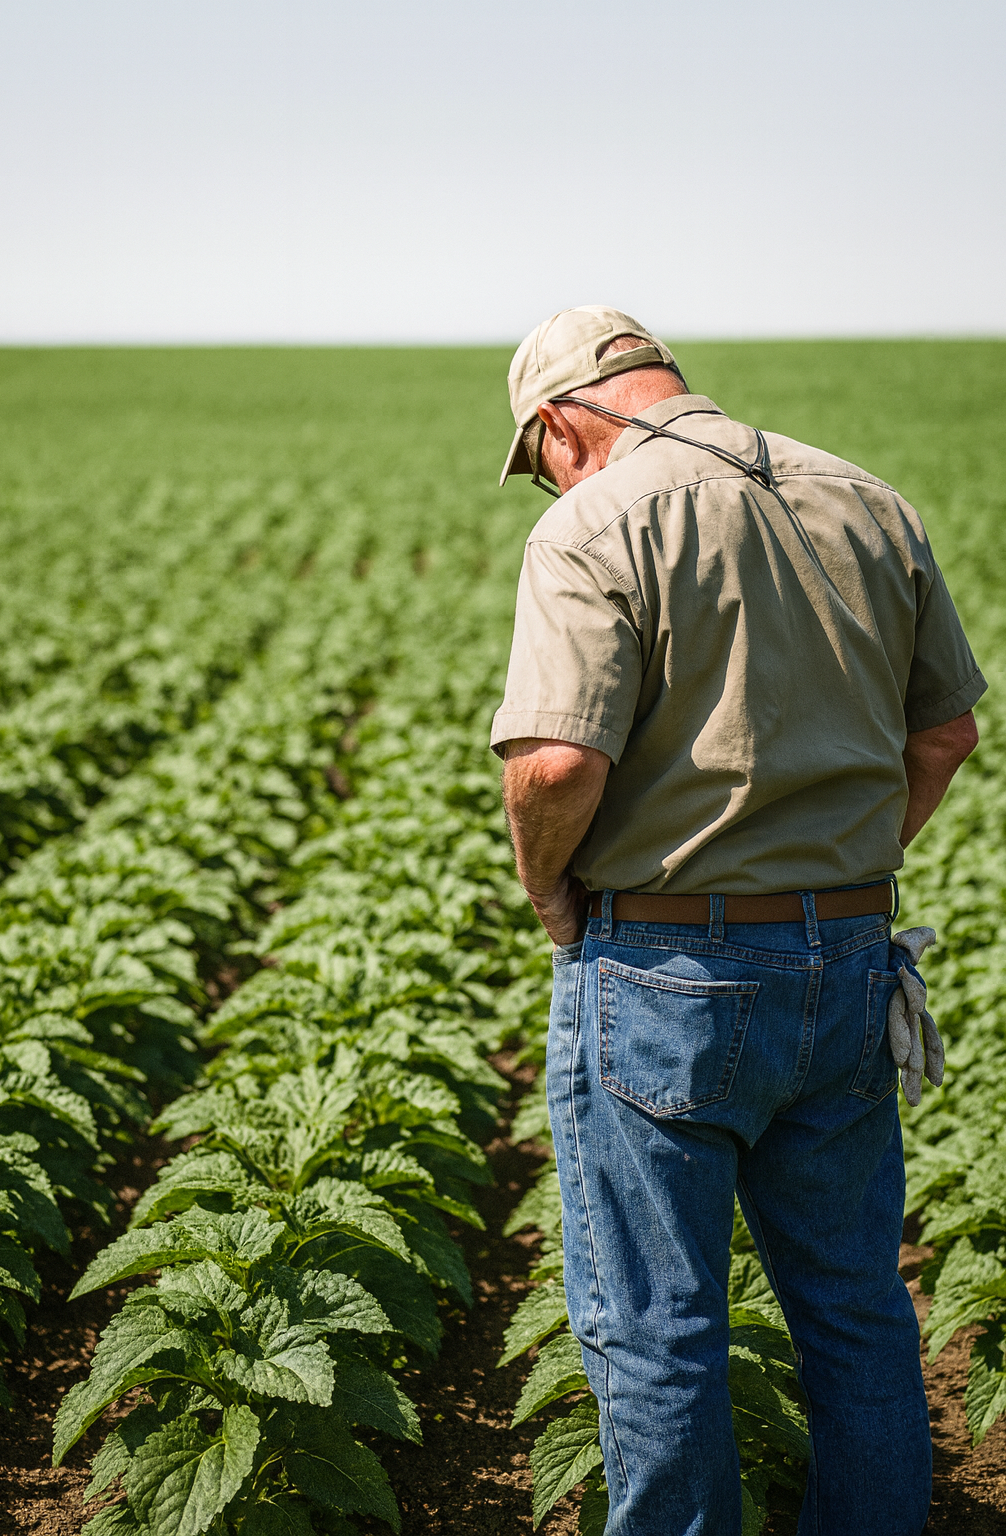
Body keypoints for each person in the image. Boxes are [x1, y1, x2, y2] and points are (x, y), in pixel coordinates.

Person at [490, 306, 985, 1536]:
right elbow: (945, 733)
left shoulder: (591, 522)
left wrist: (549, 890)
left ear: (560, 423)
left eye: (540, 458)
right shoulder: (869, 501)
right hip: (851, 959)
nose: (550, 480)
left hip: (664, 967)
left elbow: (555, 764)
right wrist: (845, 868)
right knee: (856, 1307)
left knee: (656, 1326)